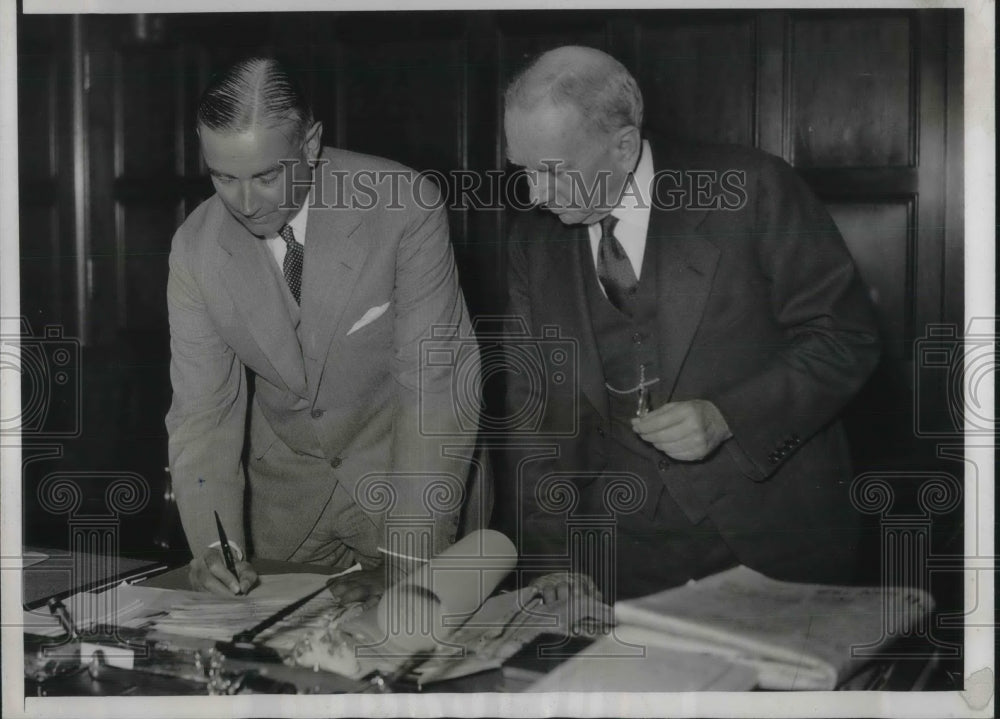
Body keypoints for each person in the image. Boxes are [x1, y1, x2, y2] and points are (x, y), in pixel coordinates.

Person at [500, 46, 880, 601]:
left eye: (552, 172)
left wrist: (730, 417)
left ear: (624, 144)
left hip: (774, 540)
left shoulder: (750, 189)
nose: (534, 194)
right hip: (618, 559)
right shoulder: (533, 244)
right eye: (523, 171)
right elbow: (532, 412)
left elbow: (846, 338)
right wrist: (552, 562)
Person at [166, 57, 480, 598]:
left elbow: (437, 390)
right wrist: (217, 546)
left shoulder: (402, 205)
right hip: (283, 508)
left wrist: (410, 563)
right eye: (223, 177)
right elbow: (203, 413)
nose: (244, 204)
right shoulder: (195, 249)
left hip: (410, 491)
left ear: (310, 144)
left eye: (267, 176)